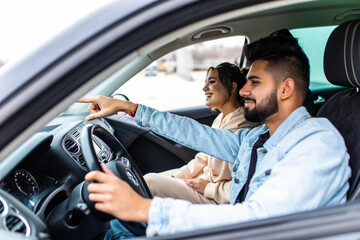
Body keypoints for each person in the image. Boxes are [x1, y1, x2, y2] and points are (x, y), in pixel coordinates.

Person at [78, 30, 350, 238]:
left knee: (117, 229)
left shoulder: (316, 144)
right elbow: (193, 133)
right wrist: (129, 108)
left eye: (254, 82)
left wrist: (144, 209)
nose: (243, 91)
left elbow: (262, 222)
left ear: (286, 89)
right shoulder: (257, 138)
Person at [144, 62, 259, 205]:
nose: (204, 88)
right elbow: (203, 158)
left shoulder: (243, 127)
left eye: (212, 82)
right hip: (203, 184)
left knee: (150, 183)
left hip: (216, 199)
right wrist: (178, 176)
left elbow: (241, 187)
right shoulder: (221, 118)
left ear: (233, 87)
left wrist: (208, 188)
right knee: (143, 181)